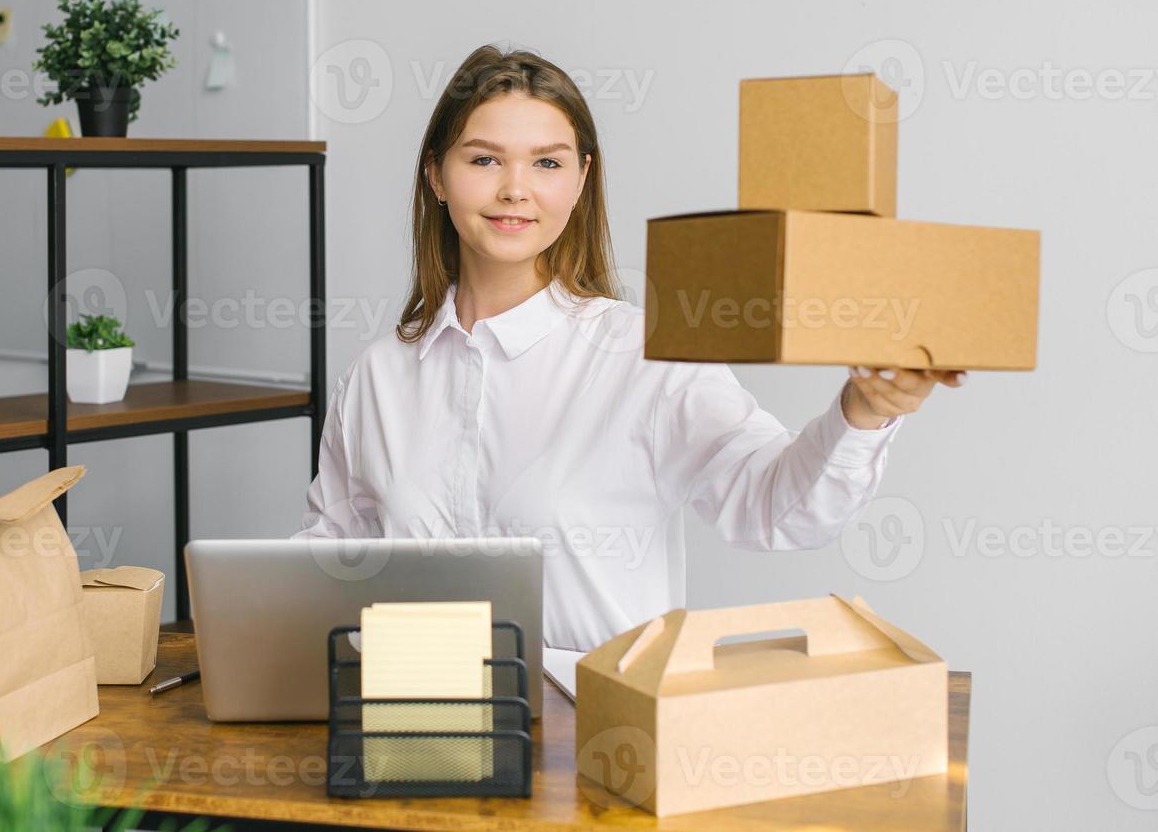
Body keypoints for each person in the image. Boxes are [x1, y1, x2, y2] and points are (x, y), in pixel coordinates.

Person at [293, 44, 962, 652]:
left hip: (598, 736)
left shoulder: (646, 356)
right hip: (411, 721)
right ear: (436, 176)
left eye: (546, 163)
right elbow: (330, 557)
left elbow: (775, 510)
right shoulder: (378, 376)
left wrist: (862, 413)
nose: (514, 189)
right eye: (483, 159)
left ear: (581, 180)